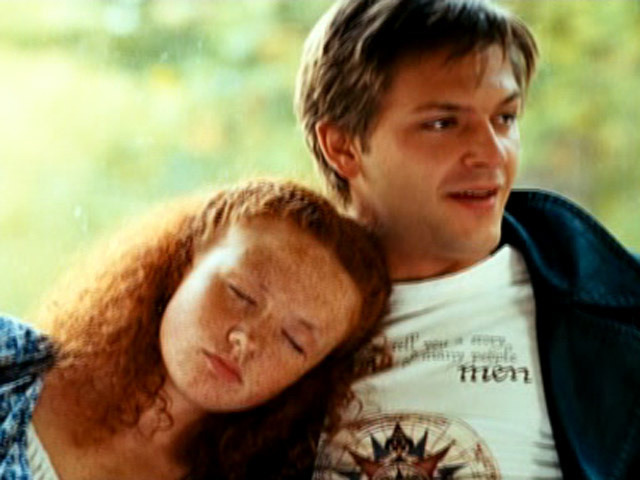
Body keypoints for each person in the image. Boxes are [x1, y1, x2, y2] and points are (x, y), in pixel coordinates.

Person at [295, 0, 640, 479]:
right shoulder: (259, 329)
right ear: (342, 146)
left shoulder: (619, 321)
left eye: (505, 118)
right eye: (443, 123)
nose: (492, 153)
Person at [0, 180, 391, 480]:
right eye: (241, 294)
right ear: (188, 257)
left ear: (308, 378)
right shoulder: (11, 362)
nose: (246, 340)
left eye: (294, 342)